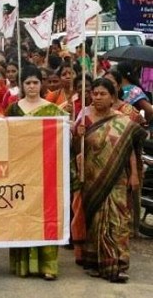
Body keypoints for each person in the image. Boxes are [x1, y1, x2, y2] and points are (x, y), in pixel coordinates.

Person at [72, 78, 146, 283]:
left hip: (117, 178)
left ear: (113, 97)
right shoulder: (84, 118)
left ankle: (119, 264)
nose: (97, 97)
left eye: (102, 94)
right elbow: (76, 150)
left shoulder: (123, 121)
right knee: (96, 222)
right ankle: (97, 262)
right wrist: (78, 136)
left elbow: (130, 149)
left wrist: (133, 175)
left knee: (117, 220)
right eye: (94, 93)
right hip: (93, 180)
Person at [6, 66, 67, 281]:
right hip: (21, 170)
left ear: (41, 84)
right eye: (28, 83)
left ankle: (48, 266)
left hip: (47, 171)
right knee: (23, 215)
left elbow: (64, 139)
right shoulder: (14, 110)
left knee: (47, 214)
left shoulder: (54, 111)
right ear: (22, 85)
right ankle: (23, 265)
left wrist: (73, 131)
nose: (32, 86)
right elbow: (6, 137)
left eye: (35, 82)